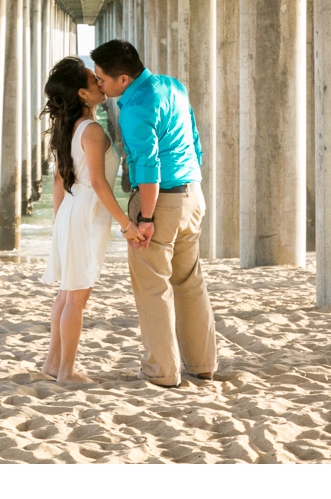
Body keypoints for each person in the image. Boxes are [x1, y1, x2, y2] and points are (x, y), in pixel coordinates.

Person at [90, 39, 218, 388]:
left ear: (124, 79)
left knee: (152, 287)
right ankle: (203, 364)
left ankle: (162, 370)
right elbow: (194, 138)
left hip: (160, 201)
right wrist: (190, 180)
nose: (98, 83)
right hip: (193, 192)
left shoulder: (135, 108)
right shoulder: (173, 85)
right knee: (190, 282)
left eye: (102, 78)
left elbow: (148, 166)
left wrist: (145, 219)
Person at [38, 56, 140, 384]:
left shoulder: (67, 128)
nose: (100, 81)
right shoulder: (92, 130)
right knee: (76, 297)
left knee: (67, 294)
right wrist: (126, 224)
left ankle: (53, 364)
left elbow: (58, 179)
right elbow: (99, 183)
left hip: (71, 210)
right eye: (92, 79)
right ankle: (67, 371)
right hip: (86, 213)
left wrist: (59, 221)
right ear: (82, 93)